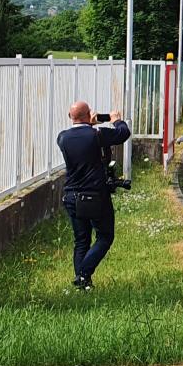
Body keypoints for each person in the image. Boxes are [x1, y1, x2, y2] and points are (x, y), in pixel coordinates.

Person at [57, 101, 131, 289]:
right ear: (88, 114)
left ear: (70, 116)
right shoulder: (97, 134)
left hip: (72, 195)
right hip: (95, 195)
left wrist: (89, 123)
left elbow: (82, 141)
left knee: (81, 240)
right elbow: (123, 133)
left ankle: (83, 283)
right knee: (105, 236)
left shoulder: (62, 138)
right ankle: (83, 274)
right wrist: (116, 120)